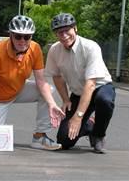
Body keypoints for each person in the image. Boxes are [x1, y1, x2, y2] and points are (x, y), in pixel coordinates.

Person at [0, 15, 65, 150]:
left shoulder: (35, 49)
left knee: (49, 91)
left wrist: (52, 104)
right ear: (11, 35)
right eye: (18, 36)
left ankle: (39, 137)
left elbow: (41, 81)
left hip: (18, 90)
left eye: (27, 37)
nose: (22, 40)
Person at [45, 13, 116, 153]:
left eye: (67, 30)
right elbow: (57, 76)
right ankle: (90, 125)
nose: (64, 35)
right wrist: (65, 99)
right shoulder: (54, 50)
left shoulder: (90, 47)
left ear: (75, 28)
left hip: (99, 88)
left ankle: (98, 135)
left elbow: (90, 84)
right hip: (78, 93)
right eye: (60, 32)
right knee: (64, 141)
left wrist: (78, 116)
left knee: (105, 101)